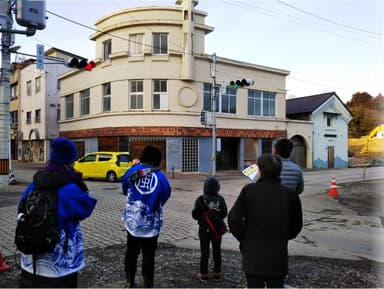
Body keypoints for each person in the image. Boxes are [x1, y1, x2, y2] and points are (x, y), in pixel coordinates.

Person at [18, 137, 97, 288]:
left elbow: (21, 208)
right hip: (60, 266)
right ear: (69, 162)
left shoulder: (35, 183)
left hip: (30, 261)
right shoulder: (70, 189)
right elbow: (86, 208)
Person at [228, 154, 303, 288]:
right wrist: (283, 236)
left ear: (260, 171)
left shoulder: (249, 191)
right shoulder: (290, 195)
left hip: (253, 256)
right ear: (279, 171)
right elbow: (296, 226)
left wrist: (245, 239)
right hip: (278, 256)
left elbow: (234, 220)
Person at [121, 146, 171, 288]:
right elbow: (166, 194)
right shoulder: (160, 177)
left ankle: (130, 280)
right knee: (149, 254)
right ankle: (148, 282)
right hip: (151, 224)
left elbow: (125, 189)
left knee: (131, 251)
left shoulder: (132, 171)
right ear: (157, 161)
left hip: (132, 223)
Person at [192, 176, 228, 282]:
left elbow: (195, 215)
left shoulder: (200, 199)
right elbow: (224, 213)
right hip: (217, 230)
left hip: (204, 229)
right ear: (218, 187)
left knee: (205, 252)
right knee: (217, 251)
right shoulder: (220, 199)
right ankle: (217, 274)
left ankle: (204, 275)